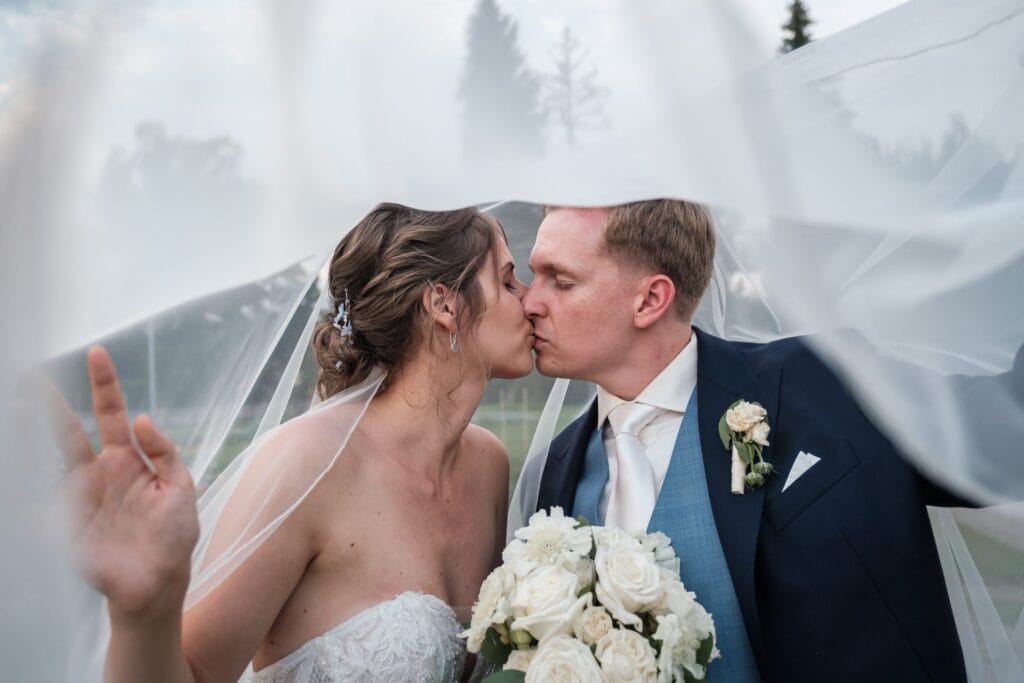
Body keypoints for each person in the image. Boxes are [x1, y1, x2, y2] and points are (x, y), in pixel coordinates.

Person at [56, 203, 534, 682]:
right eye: (509, 281)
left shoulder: (487, 464)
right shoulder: (310, 461)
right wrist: (143, 614)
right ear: (443, 304)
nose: (529, 300)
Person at [521, 200, 971, 682]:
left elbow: (1000, 444)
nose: (530, 302)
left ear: (650, 300)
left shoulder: (828, 383)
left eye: (560, 281)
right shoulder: (554, 472)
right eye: (533, 276)